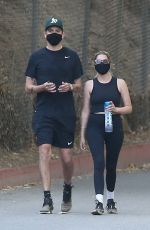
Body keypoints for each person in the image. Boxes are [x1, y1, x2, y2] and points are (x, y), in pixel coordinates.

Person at [25, 17, 83, 214]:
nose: (54, 33)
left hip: (65, 113)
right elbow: (28, 87)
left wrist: (70, 87)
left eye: (58, 30)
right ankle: (47, 198)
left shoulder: (72, 56)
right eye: (50, 30)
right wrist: (41, 87)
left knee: (66, 158)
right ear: (44, 34)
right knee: (45, 151)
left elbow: (79, 85)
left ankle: (67, 188)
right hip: (44, 113)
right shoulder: (36, 57)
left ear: (63, 34)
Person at [80, 51, 132, 215]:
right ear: (94, 64)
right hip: (94, 125)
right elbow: (85, 110)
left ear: (110, 62)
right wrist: (81, 134)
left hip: (114, 124)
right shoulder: (89, 84)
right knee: (99, 162)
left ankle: (111, 199)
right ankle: (99, 201)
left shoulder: (120, 83)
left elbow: (129, 108)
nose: (101, 63)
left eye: (104, 60)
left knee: (111, 165)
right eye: (98, 61)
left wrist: (117, 110)